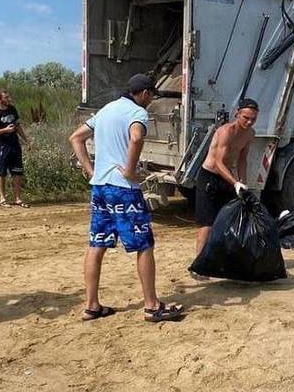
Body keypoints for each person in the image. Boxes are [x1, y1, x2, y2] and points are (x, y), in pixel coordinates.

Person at [69, 74, 183, 322]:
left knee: (97, 244)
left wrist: (91, 171)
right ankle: (152, 306)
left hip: (100, 187)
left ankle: (91, 305)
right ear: (144, 93)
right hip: (123, 189)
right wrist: (131, 170)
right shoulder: (137, 113)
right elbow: (136, 137)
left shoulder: (106, 110)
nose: (151, 100)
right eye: (151, 95)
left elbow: (76, 138)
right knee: (144, 245)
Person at [194, 98, 258, 256]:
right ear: (237, 114)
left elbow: (243, 159)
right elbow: (218, 163)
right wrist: (235, 183)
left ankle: (222, 258)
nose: (249, 122)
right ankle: (199, 262)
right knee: (207, 224)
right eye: (246, 118)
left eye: (253, 119)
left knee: (229, 219)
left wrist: (243, 182)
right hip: (209, 177)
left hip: (227, 177)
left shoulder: (250, 134)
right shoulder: (226, 132)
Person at [0, 89, 30, 208]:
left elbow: (18, 125)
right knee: (2, 171)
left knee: (17, 172)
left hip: (15, 144)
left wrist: (26, 140)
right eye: (6, 97)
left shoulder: (12, 109)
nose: (9, 99)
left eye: (9, 97)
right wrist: (5, 130)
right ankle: (2, 198)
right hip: (2, 145)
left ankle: (17, 198)